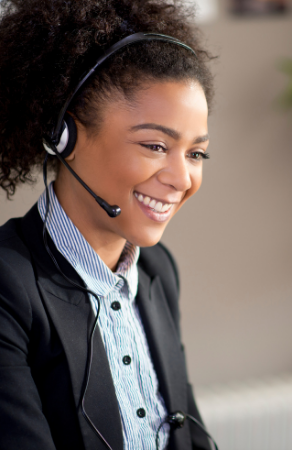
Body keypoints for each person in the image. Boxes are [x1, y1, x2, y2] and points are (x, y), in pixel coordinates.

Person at [0, 1, 214, 449]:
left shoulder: (157, 271)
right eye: (156, 145)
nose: (181, 178)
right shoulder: (9, 287)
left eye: (196, 153)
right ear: (66, 137)